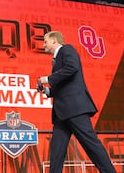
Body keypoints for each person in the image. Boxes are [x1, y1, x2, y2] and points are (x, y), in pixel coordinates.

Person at [37, 31, 116, 173]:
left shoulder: (67, 49)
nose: (43, 45)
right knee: (56, 152)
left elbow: (72, 68)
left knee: (91, 145)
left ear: (54, 41)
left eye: (45, 41)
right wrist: (48, 91)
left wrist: (48, 79)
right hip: (61, 114)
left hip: (74, 109)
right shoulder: (56, 60)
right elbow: (64, 85)